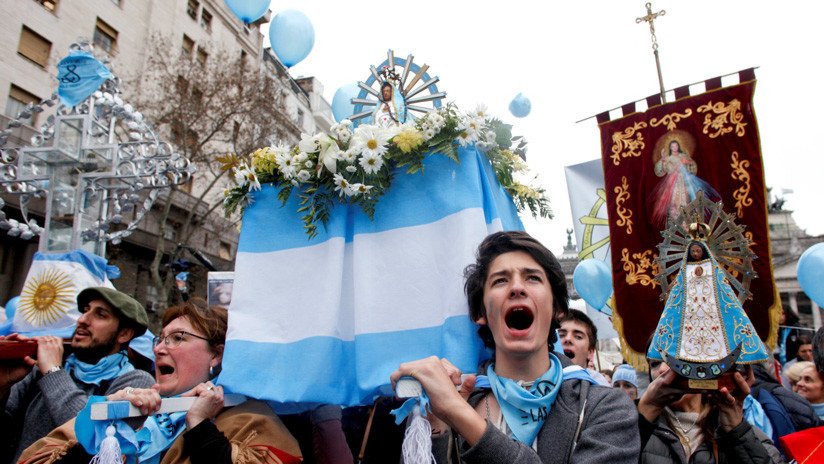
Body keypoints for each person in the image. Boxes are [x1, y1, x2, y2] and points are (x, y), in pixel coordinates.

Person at [391, 231, 639, 463]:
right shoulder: (454, 400)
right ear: (480, 312)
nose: (517, 287)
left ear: (558, 309)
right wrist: (437, 426)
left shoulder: (607, 406)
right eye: (500, 281)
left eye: (532, 278)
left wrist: (461, 416)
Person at [18, 299, 302, 463]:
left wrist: (202, 428)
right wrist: (103, 424)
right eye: (160, 339)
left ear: (216, 354)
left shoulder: (248, 417)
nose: (158, 349)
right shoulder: (131, 403)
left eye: (178, 338)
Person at [0, 287, 154, 463]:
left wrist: (53, 372)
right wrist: (3, 385)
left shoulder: (135, 381)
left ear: (124, 334)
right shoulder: (44, 367)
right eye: (85, 310)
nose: (82, 320)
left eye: (100, 315)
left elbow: (88, 433)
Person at [638, 359, 783, 463]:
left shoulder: (732, 424)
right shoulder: (633, 424)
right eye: (655, 363)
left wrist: (737, 432)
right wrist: (644, 415)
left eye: (673, 359)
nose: (662, 369)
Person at [648, 139, 716, 227]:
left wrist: (688, 162)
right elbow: (660, 171)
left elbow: (692, 167)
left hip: (685, 181)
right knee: (674, 202)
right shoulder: (668, 158)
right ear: (670, 148)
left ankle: (688, 223)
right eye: (672, 146)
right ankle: (675, 223)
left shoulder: (683, 156)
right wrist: (663, 160)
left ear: (678, 146)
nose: (674, 147)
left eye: (676, 146)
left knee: (687, 199)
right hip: (672, 183)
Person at [558, 309, 609, 385]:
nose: (568, 339)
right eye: (561, 335)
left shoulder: (604, 393)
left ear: (590, 352)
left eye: (578, 337)